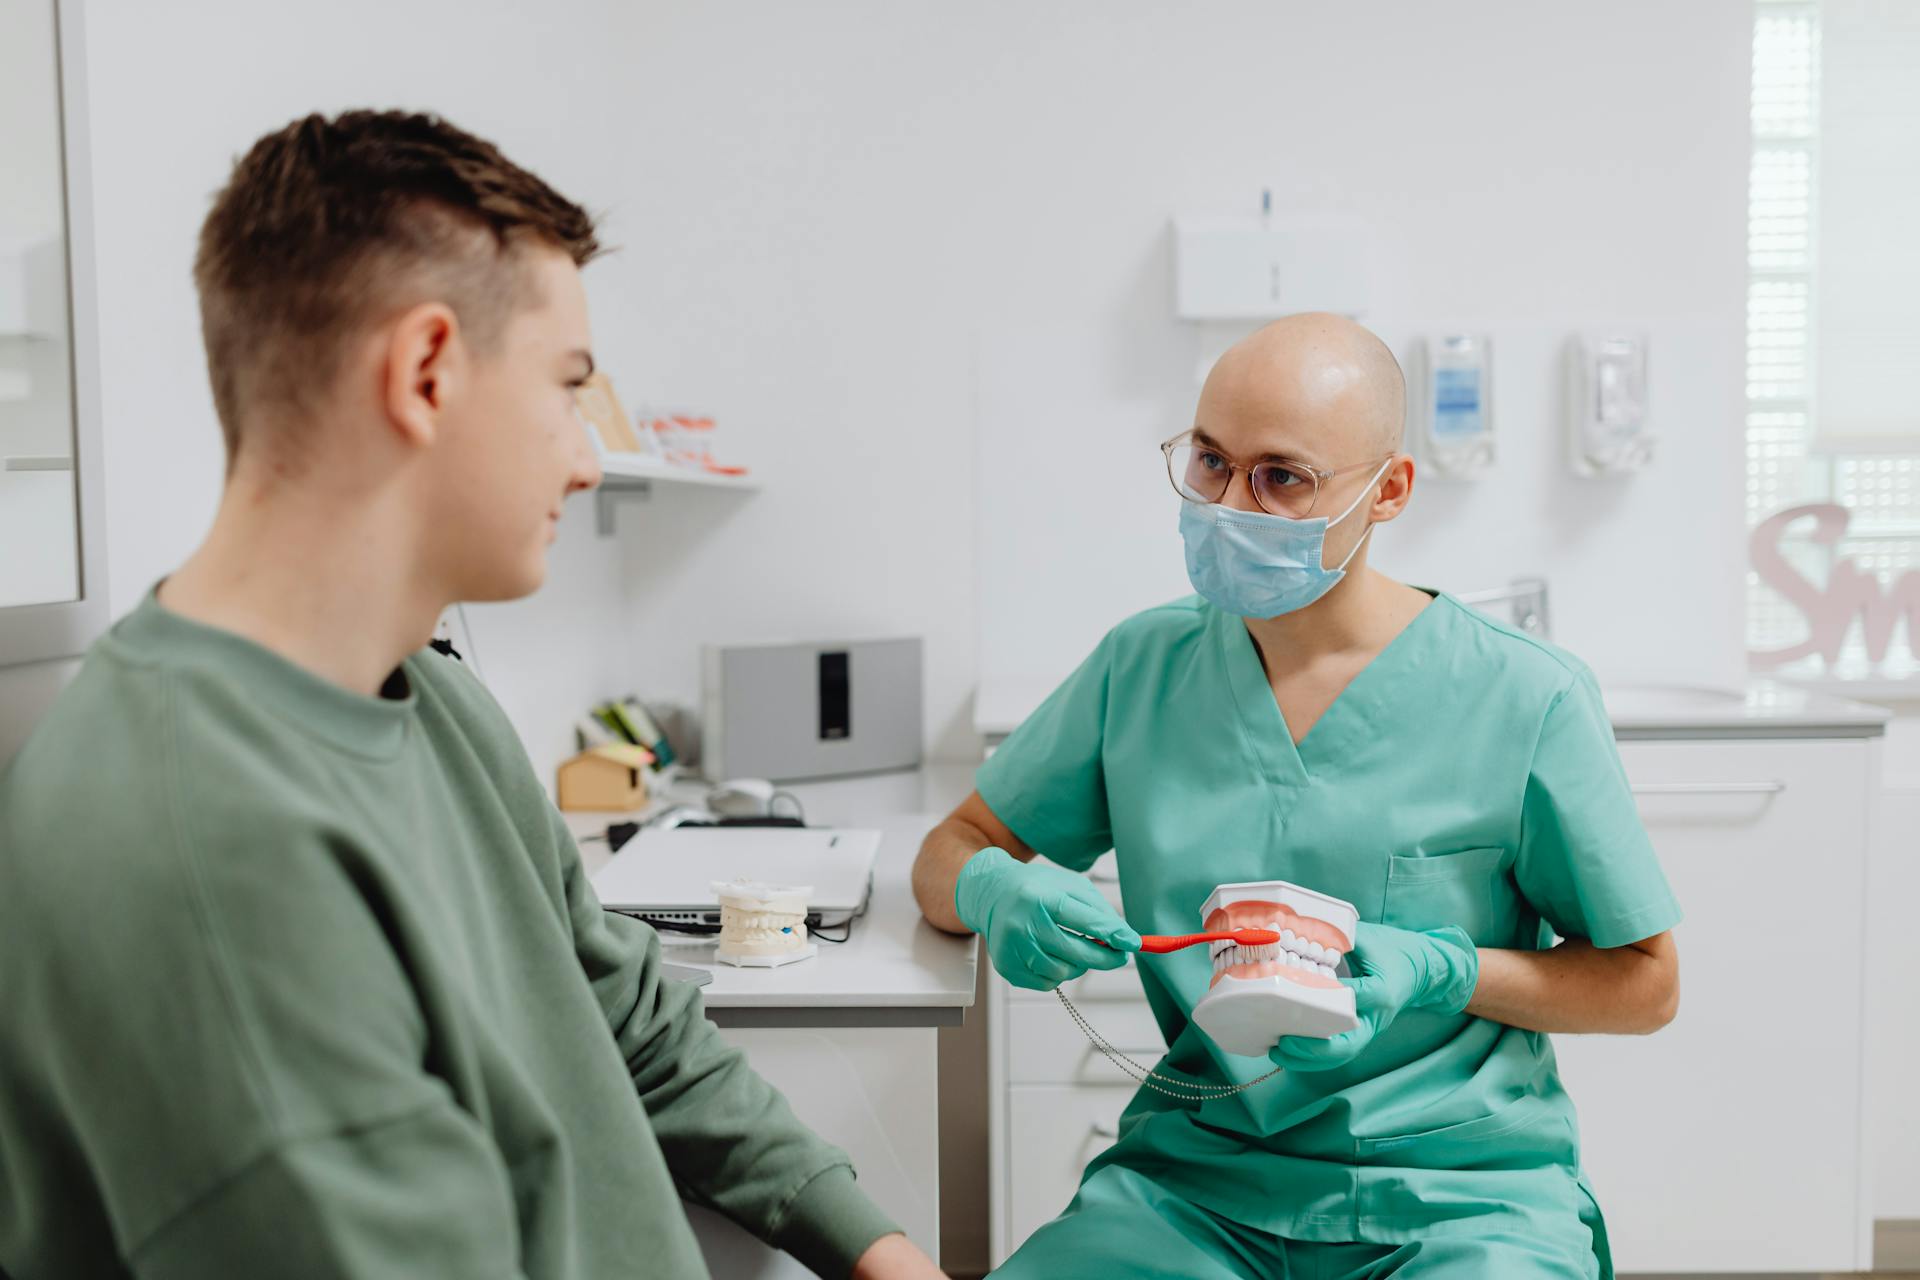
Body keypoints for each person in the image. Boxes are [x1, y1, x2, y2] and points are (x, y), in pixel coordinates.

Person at [0, 110, 942, 1280]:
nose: (590, 457)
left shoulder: (431, 699)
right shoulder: (200, 851)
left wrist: (875, 1248)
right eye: (568, 388)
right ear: (427, 371)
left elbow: (628, 1019)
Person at [912, 313, 1681, 1278]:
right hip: (1194, 1191)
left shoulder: (1525, 695)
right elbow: (950, 848)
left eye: (1282, 477)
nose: (1232, 504)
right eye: (1210, 462)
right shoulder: (1142, 668)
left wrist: (1445, 970)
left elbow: (1647, 985)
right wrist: (990, 888)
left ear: (1388, 490)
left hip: (1463, 1198)